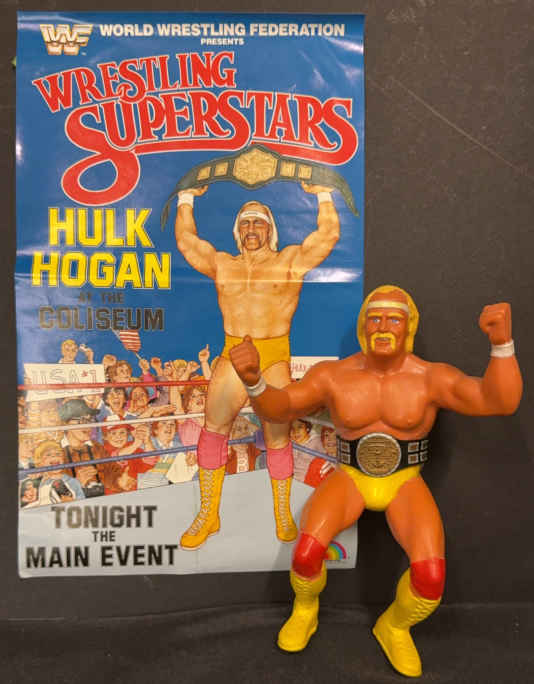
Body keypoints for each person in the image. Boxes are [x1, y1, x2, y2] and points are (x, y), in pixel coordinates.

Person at [229, 285, 522, 677]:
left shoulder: (430, 377)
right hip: (351, 476)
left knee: (430, 578)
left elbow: (498, 401)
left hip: (404, 480)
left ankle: (394, 627)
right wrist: (253, 381)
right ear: (363, 326)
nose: (383, 326)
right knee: (305, 554)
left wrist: (501, 346)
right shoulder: (333, 375)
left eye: (394, 319)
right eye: (375, 318)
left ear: (409, 327)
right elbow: (281, 408)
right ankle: (305, 609)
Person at [175, 182, 340, 548]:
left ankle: (282, 514)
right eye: (245, 223)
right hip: (232, 351)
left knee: (277, 437)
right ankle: (208, 513)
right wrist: (186, 198)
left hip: (273, 355)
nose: (252, 229)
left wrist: (323, 194)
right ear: (238, 230)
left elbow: (327, 236)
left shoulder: (289, 261)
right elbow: (187, 242)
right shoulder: (223, 264)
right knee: (213, 430)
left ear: (270, 229)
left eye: (259, 222)